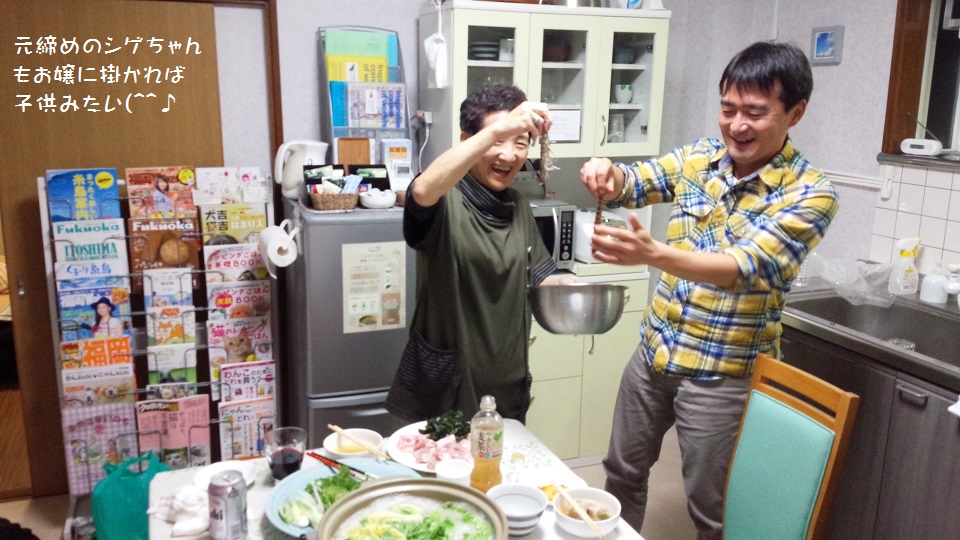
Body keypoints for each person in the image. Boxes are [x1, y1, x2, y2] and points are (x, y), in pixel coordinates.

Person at [579, 41, 838, 538]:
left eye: (755, 112)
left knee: (712, 506)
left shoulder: (811, 192)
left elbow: (744, 267)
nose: (737, 125)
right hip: (655, 353)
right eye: (728, 109)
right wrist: (606, 173)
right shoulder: (699, 158)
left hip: (724, 374)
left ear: (795, 112)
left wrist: (654, 254)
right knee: (621, 473)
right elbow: (635, 181)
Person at [385, 83, 561, 423]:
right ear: (468, 141)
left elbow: (540, 278)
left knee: (500, 457)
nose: (509, 155)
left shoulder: (519, 206)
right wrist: (501, 128)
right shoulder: (443, 200)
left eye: (520, 143)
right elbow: (421, 190)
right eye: (497, 141)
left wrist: (581, 294)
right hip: (448, 386)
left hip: (507, 382)